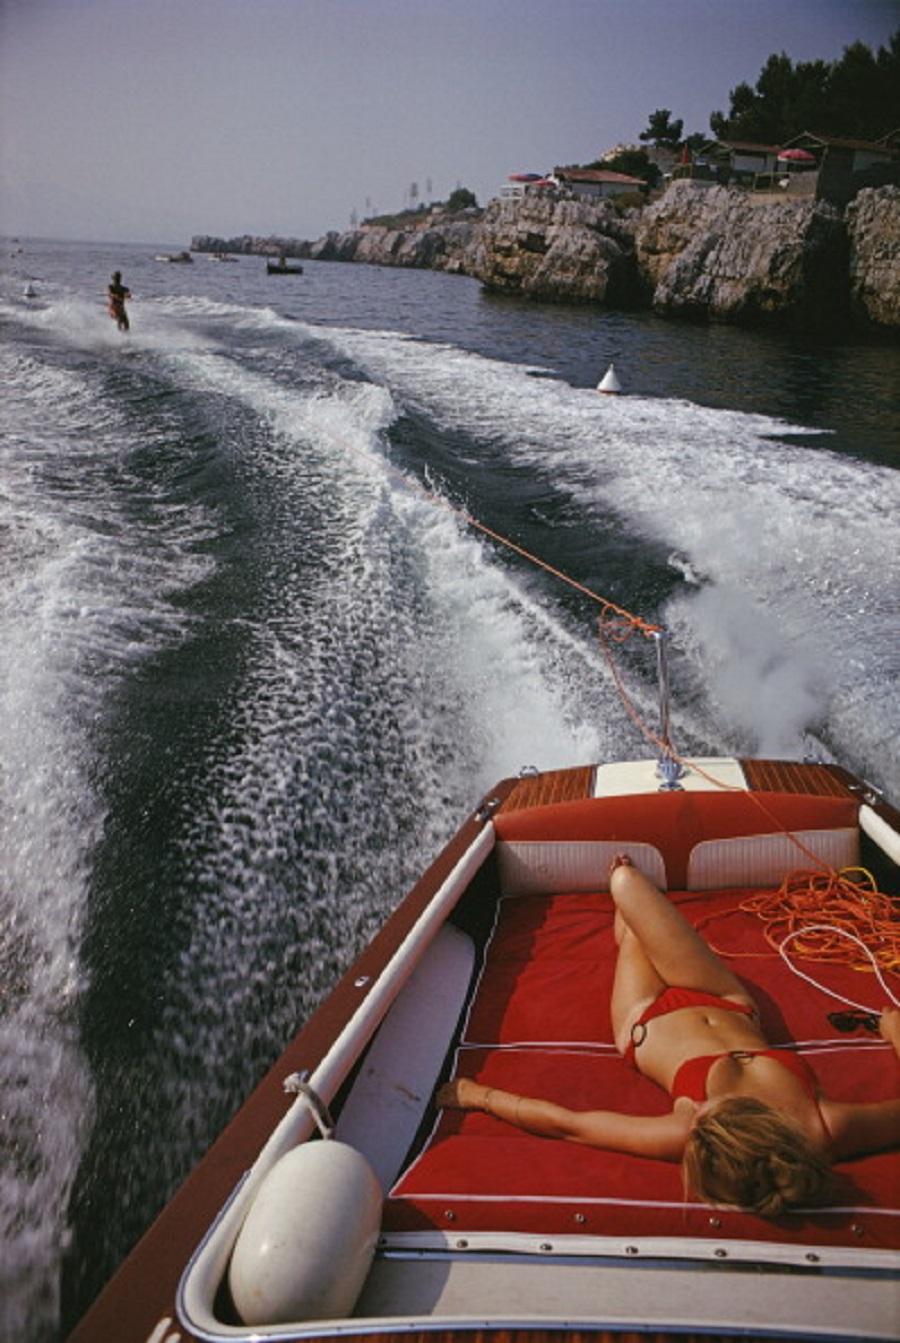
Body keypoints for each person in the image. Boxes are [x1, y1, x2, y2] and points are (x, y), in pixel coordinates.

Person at [439, 855, 900, 1217]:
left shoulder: (688, 1130)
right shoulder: (825, 1128)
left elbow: (570, 1125)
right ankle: (631, 916)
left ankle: (627, 927)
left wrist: (479, 1096)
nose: (699, 1109)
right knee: (628, 884)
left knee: (626, 891)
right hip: (724, 998)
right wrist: (895, 1030)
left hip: (645, 1017)